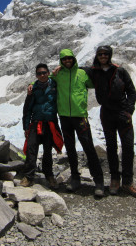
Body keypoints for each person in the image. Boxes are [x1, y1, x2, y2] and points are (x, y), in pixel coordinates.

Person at [84, 45, 136, 199]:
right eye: (100, 54)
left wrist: (129, 111)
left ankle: (128, 181)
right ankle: (115, 180)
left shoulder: (120, 71)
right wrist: (58, 68)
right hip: (107, 113)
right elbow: (73, 69)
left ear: (110, 55)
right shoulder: (93, 71)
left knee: (128, 147)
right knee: (111, 147)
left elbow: (131, 92)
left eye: (105, 54)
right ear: (97, 56)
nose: (103, 56)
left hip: (122, 113)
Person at [53, 49, 104, 197]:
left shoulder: (82, 74)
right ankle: (75, 178)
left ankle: (99, 181)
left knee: (88, 147)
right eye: (64, 59)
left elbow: (96, 83)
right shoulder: (58, 74)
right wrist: (31, 84)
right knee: (70, 148)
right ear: (61, 61)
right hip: (64, 117)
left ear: (73, 59)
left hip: (80, 117)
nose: (67, 61)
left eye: (69, 58)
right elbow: (44, 79)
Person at [20, 63, 63, 189]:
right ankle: (28, 176)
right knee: (31, 150)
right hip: (36, 122)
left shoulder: (55, 84)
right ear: (36, 75)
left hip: (50, 122)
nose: (42, 75)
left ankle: (49, 175)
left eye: (44, 72)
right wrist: (26, 126)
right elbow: (27, 108)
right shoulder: (33, 89)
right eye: (39, 73)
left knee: (48, 151)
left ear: (48, 73)